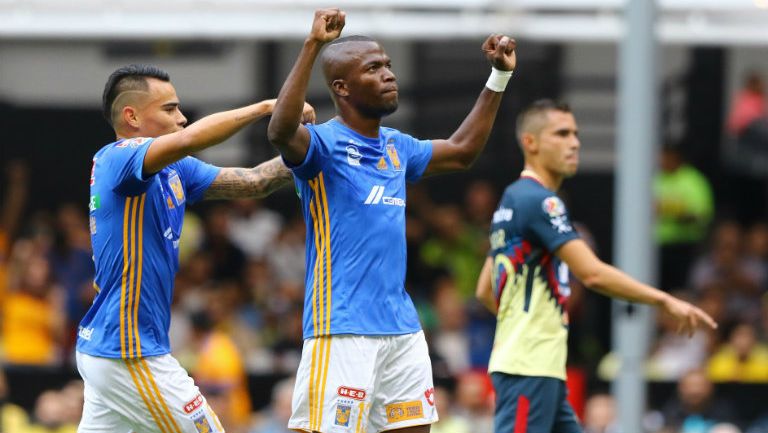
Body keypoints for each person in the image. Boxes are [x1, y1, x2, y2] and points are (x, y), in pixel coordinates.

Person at [267, 8, 516, 433]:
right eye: (373, 68)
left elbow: (461, 150)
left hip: (401, 328)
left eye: (387, 65)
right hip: (341, 329)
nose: (388, 74)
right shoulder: (322, 146)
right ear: (342, 87)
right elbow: (280, 131)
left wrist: (498, 77)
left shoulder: (397, 148)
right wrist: (313, 46)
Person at [75, 64, 314, 433]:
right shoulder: (117, 157)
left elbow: (255, 182)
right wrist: (268, 108)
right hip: (130, 354)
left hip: (110, 349)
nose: (182, 118)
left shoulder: (176, 170)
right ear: (132, 116)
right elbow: (192, 139)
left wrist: (311, 146)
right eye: (169, 109)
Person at [475, 100, 718, 433]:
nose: (574, 142)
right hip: (528, 369)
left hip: (538, 366)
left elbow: (485, 290)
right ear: (530, 143)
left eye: (575, 133)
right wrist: (664, 300)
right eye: (561, 134)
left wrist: (524, 322)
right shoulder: (540, 201)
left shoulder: (511, 200)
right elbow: (592, 273)